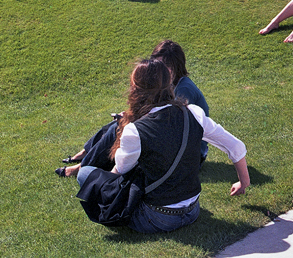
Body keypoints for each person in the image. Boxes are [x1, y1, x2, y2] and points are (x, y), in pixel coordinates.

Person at [71, 58, 250, 233]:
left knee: (87, 174)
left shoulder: (135, 130)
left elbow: (121, 169)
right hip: (192, 210)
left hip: (156, 218)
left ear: (135, 90)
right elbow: (235, 145)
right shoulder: (194, 113)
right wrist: (244, 182)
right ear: (169, 83)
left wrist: (104, 183)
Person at [57, 40, 209, 175]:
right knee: (117, 123)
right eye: (156, 63)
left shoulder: (184, 90)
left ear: (177, 66)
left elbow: (170, 123)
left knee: (117, 129)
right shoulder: (165, 86)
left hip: (187, 155)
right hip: (172, 145)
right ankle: (86, 153)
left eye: (165, 65)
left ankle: (82, 167)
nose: (159, 69)